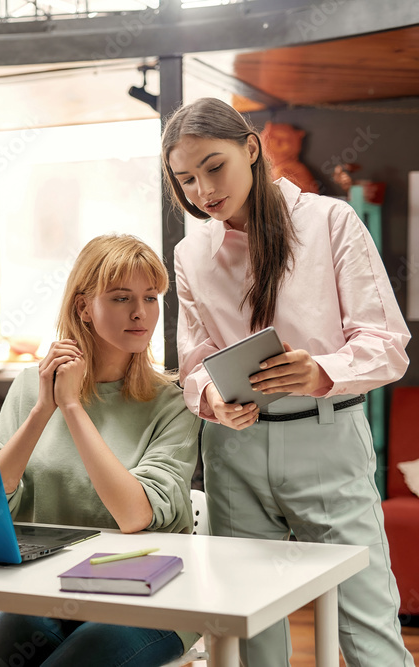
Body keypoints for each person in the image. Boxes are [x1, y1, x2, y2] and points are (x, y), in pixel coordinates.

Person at [164, 97, 414, 667]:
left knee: (368, 625)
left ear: (251, 149)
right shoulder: (189, 252)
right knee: (251, 632)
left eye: (213, 166)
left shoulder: (331, 220)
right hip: (233, 450)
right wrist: (210, 399)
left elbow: (387, 345)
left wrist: (321, 371)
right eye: (186, 179)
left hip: (326, 440)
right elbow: (193, 363)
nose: (203, 190)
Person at [0, 234, 201, 667]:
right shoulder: (31, 389)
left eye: (151, 298)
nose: (140, 313)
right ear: (83, 308)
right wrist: (43, 408)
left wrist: (72, 407)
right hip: (48, 592)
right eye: (121, 297)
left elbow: (134, 515)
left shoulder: (174, 402)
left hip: (152, 598)